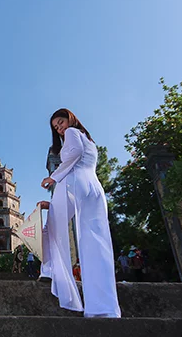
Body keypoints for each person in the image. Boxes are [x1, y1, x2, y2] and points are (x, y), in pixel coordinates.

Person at [38, 108, 121, 318]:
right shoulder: (89, 140)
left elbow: (73, 154)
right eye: (56, 127)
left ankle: (49, 271)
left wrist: (53, 178)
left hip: (73, 183)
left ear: (70, 119)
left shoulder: (73, 133)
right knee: (96, 241)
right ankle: (102, 306)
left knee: (52, 229)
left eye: (61, 122)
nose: (60, 128)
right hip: (94, 187)